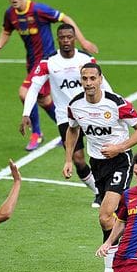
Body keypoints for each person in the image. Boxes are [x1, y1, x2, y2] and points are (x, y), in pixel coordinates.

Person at [63, 62, 137, 272]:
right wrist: (69, 159)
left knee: (105, 216)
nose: (89, 83)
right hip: (97, 163)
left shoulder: (116, 103)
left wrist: (119, 147)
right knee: (120, 217)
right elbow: (72, 130)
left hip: (120, 161)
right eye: (85, 79)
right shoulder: (75, 105)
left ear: (101, 79)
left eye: (93, 78)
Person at [0, 0, 98, 151]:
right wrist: (0, 44)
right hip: (31, 61)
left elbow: (66, 19)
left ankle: (37, 134)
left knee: (24, 93)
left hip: (46, 61)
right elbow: (6, 30)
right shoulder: (10, 14)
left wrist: (83, 41)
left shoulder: (38, 10)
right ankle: (68, 128)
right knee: (43, 99)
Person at [21, 23, 111, 207]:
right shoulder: (49, 61)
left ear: (74, 38)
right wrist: (26, 113)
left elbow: (104, 84)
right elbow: (34, 87)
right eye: (62, 38)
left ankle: (109, 188)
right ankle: (98, 191)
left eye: (69, 37)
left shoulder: (85, 59)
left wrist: (116, 104)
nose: (66, 41)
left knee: (102, 153)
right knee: (77, 159)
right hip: (66, 117)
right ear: (58, 39)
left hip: (91, 112)